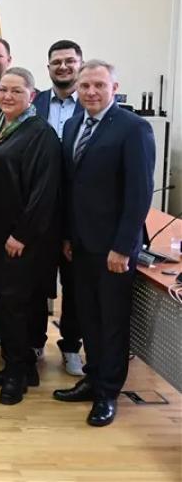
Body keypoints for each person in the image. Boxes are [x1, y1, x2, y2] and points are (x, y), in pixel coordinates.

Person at [53, 60, 155, 427]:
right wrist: (67, 235)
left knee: (111, 321)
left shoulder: (134, 128)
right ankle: (93, 377)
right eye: (85, 86)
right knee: (87, 316)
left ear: (115, 87)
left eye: (99, 85)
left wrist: (123, 247)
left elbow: (139, 193)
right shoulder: (73, 125)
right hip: (80, 244)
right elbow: (71, 187)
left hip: (114, 248)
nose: (91, 92)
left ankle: (108, 392)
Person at [0, 67, 61, 405]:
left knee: (16, 306)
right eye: (3, 90)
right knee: (8, 304)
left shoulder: (40, 134)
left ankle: (17, 376)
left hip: (22, 238)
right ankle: (18, 367)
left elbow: (44, 192)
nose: (7, 96)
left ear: (31, 96)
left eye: (16, 91)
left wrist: (22, 234)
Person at [33, 39, 86, 376]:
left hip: (78, 212)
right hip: (40, 209)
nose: (63, 67)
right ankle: (35, 341)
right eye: (57, 62)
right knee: (37, 281)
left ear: (80, 64)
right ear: (48, 67)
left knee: (75, 285)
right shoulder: (34, 102)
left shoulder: (92, 105)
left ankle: (70, 346)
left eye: (69, 61)